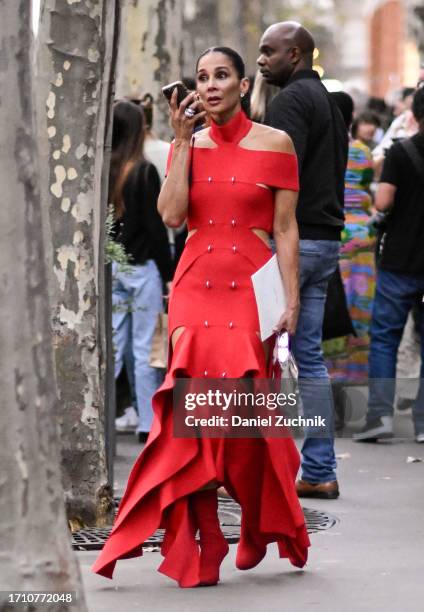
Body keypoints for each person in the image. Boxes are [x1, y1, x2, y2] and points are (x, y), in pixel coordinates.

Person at [93, 46, 310, 588]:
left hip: (248, 292)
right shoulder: (184, 146)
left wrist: (291, 299)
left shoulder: (276, 143)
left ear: (242, 84)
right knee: (190, 413)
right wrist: (184, 142)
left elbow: (285, 229)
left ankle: (260, 525)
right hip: (194, 289)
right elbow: (171, 216)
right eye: (202, 78)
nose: (210, 85)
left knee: (241, 414)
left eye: (221, 76)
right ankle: (206, 534)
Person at [258, 21, 348, 499]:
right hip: (324, 242)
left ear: (295, 55)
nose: (260, 60)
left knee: (256, 356)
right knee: (308, 358)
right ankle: (318, 469)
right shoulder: (331, 105)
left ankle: (258, 472)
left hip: (292, 243)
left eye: (268, 52)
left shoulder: (291, 102)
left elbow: (277, 176)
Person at [354, 85, 424, 444]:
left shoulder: (400, 152)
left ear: (414, 115)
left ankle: (379, 415)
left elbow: (382, 202)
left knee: (384, 339)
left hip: (399, 260)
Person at [109, 101, 172, 443]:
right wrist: (168, 273)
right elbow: (155, 228)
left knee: (114, 347)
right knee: (145, 348)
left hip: (114, 266)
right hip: (142, 267)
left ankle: (105, 414)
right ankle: (148, 422)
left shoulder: (105, 168)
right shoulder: (143, 171)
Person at [324, 93, 376, 384]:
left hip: (335, 234)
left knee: (331, 313)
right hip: (364, 239)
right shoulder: (362, 152)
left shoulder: (322, 150)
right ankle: (354, 381)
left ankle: (331, 381)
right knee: (359, 313)